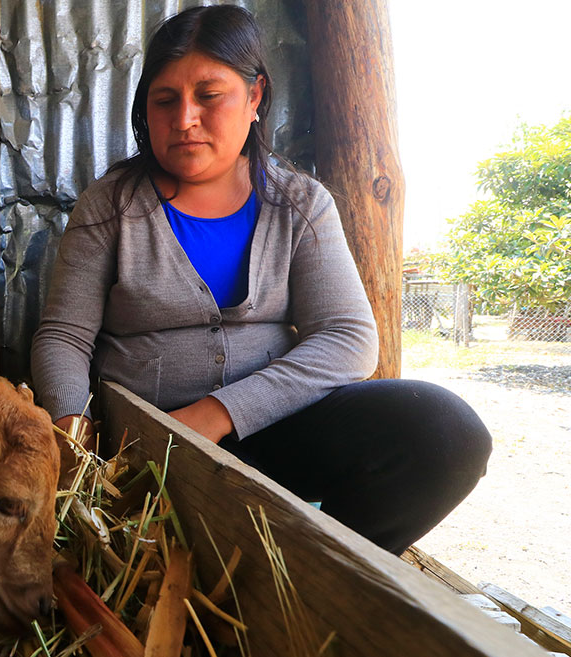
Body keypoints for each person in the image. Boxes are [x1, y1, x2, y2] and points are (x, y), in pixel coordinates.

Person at [30, 5, 490, 556]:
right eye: (165, 99)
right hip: (146, 454)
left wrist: (217, 415)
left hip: (277, 437)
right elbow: (64, 335)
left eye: (209, 95)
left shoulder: (300, 204)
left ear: (254, 97)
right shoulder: (111, 208)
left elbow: (348, 338)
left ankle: (313, 578)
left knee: (444, 432)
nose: (184, 119)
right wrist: (72, 436)